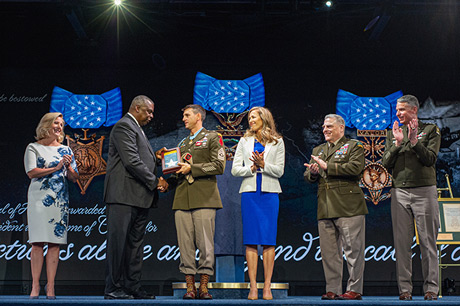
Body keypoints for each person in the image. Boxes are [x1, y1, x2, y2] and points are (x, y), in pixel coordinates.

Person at [103, 95, 166, 300]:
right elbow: (131, 162)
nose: (151, 116)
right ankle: (114, 288)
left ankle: (132, 287)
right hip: (123, 195)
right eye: (148, 111)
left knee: (135, 246)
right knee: (118, 244)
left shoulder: (136, 128)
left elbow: (139, 158)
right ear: (137, 108)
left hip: (139, 196)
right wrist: (155, 181)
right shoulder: (124, 126)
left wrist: (155, 158)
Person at [160, 104, 225, 300]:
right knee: (185, 245)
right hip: (182, 199)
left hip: (204, 197)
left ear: (199, 117)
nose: (184, 119)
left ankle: (204, 286)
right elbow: (178, 171)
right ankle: (190, 287)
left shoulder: (213, 137)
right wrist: (167, 184)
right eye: (183, 115)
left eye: (187, 115)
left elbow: (219, 165)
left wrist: (192, 169)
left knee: (206, 245)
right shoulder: (181, 144)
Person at [382, 95, 441, 301]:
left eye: (402, 110)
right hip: (399, 191)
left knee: (428, 242)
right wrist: (397, 144)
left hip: (424, 190)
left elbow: (430, 159)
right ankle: (404, 290)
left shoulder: (431, 130)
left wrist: (415, 141)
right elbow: (385, 163)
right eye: (397, 110)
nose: (398, 113)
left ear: (414, 110)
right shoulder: (394, 132)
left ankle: (431, 289)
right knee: (402, 243)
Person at [304, 114, 368, 300]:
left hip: (348, 205)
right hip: (325, 206)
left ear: (341, 128)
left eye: (330, 126)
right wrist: (314, 172)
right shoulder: (319, 149)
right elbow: (308, 176)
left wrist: (327, 166)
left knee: (353, 251)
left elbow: (356, 168)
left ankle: (354, 289)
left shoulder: (354, 146)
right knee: (329, 253)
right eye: (324, 127)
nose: (325, 130)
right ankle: (333, 289)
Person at [231, 106, 285, 300]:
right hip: (250, 194)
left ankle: (267, 287)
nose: (250, 121)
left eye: (253, 117)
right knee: (251, 240)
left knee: (269, 241)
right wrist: (252, 168)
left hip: (269, 195)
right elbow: (235, 170)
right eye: (249, 118)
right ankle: (253, 287)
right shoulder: (244, 141)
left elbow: (279, 171)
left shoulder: (277, 142)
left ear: (264, 118)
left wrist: (264, 165)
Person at [24, 112, 79, 299]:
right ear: (46, 124)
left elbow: (74, 178)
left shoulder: (67, 150)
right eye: (56, 123)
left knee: (55, 244)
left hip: (60, 201)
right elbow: (31, 172)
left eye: (62, 124)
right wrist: (55, 168)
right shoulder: (33, 147)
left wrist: (69, 167)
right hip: (39, 200)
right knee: (37, 243)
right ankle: (35, 286)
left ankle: (51, 287)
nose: (59, 126)